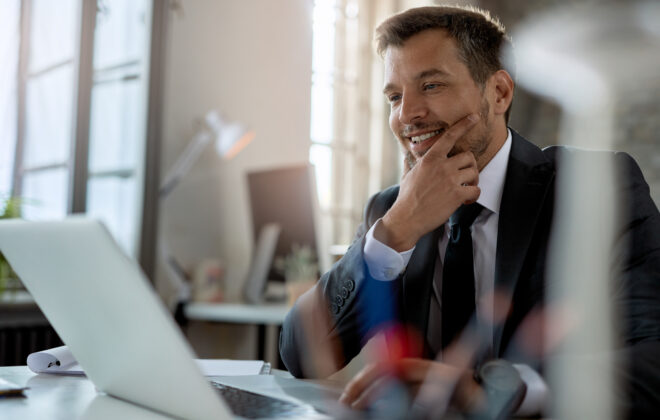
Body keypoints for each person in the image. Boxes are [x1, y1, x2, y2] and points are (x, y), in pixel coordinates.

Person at [280, 5, 660, 418]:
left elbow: (652, 357)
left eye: (431, 85)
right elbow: (299, 353)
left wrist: (498, 391)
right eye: (394, 96)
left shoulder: (597, 187)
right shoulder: (390, 210)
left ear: (498, 93)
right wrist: (394, 232)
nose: (406, 114)